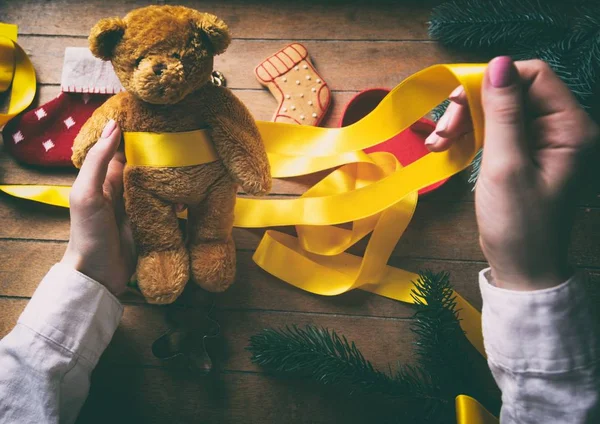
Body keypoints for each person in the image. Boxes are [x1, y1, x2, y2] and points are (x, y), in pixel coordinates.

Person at [0, 57, 598, 423]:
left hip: (202, 205)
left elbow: (22, 390)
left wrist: (90, 271)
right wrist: (532, 273)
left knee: (217, 228)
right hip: (150, 206)